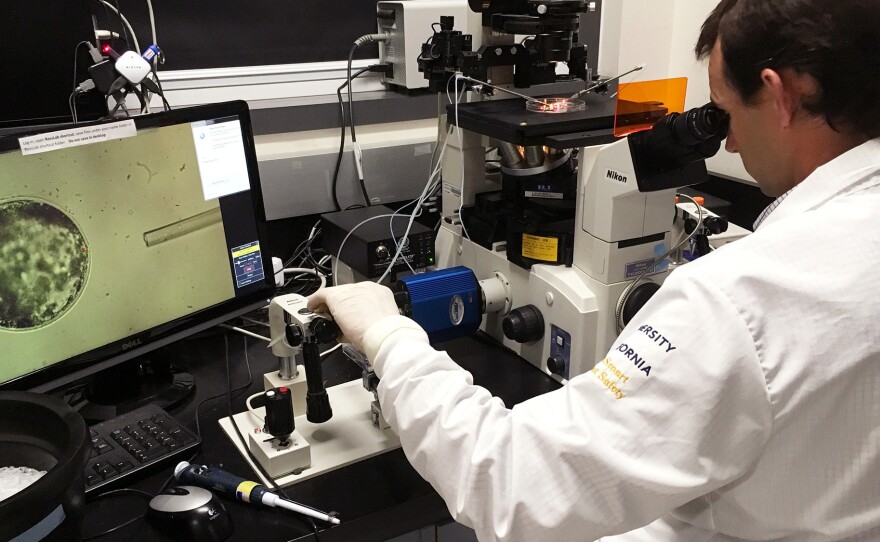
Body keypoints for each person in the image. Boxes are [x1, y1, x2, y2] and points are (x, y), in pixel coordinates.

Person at [308, 1, 880, 540]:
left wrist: (387, 335)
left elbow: (511, 485)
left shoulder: (740, 299)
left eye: (724, 112)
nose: (725, 137)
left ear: (781, 95)